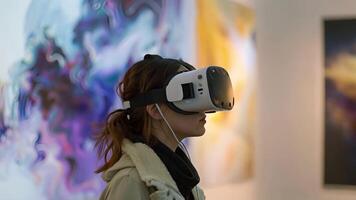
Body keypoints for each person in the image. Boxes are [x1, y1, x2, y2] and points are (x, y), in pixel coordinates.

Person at [95, 54, 206, 200]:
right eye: (187, 95)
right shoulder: (130, 182)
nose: (203, 109)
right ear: (154, 110)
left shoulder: (183, 180)